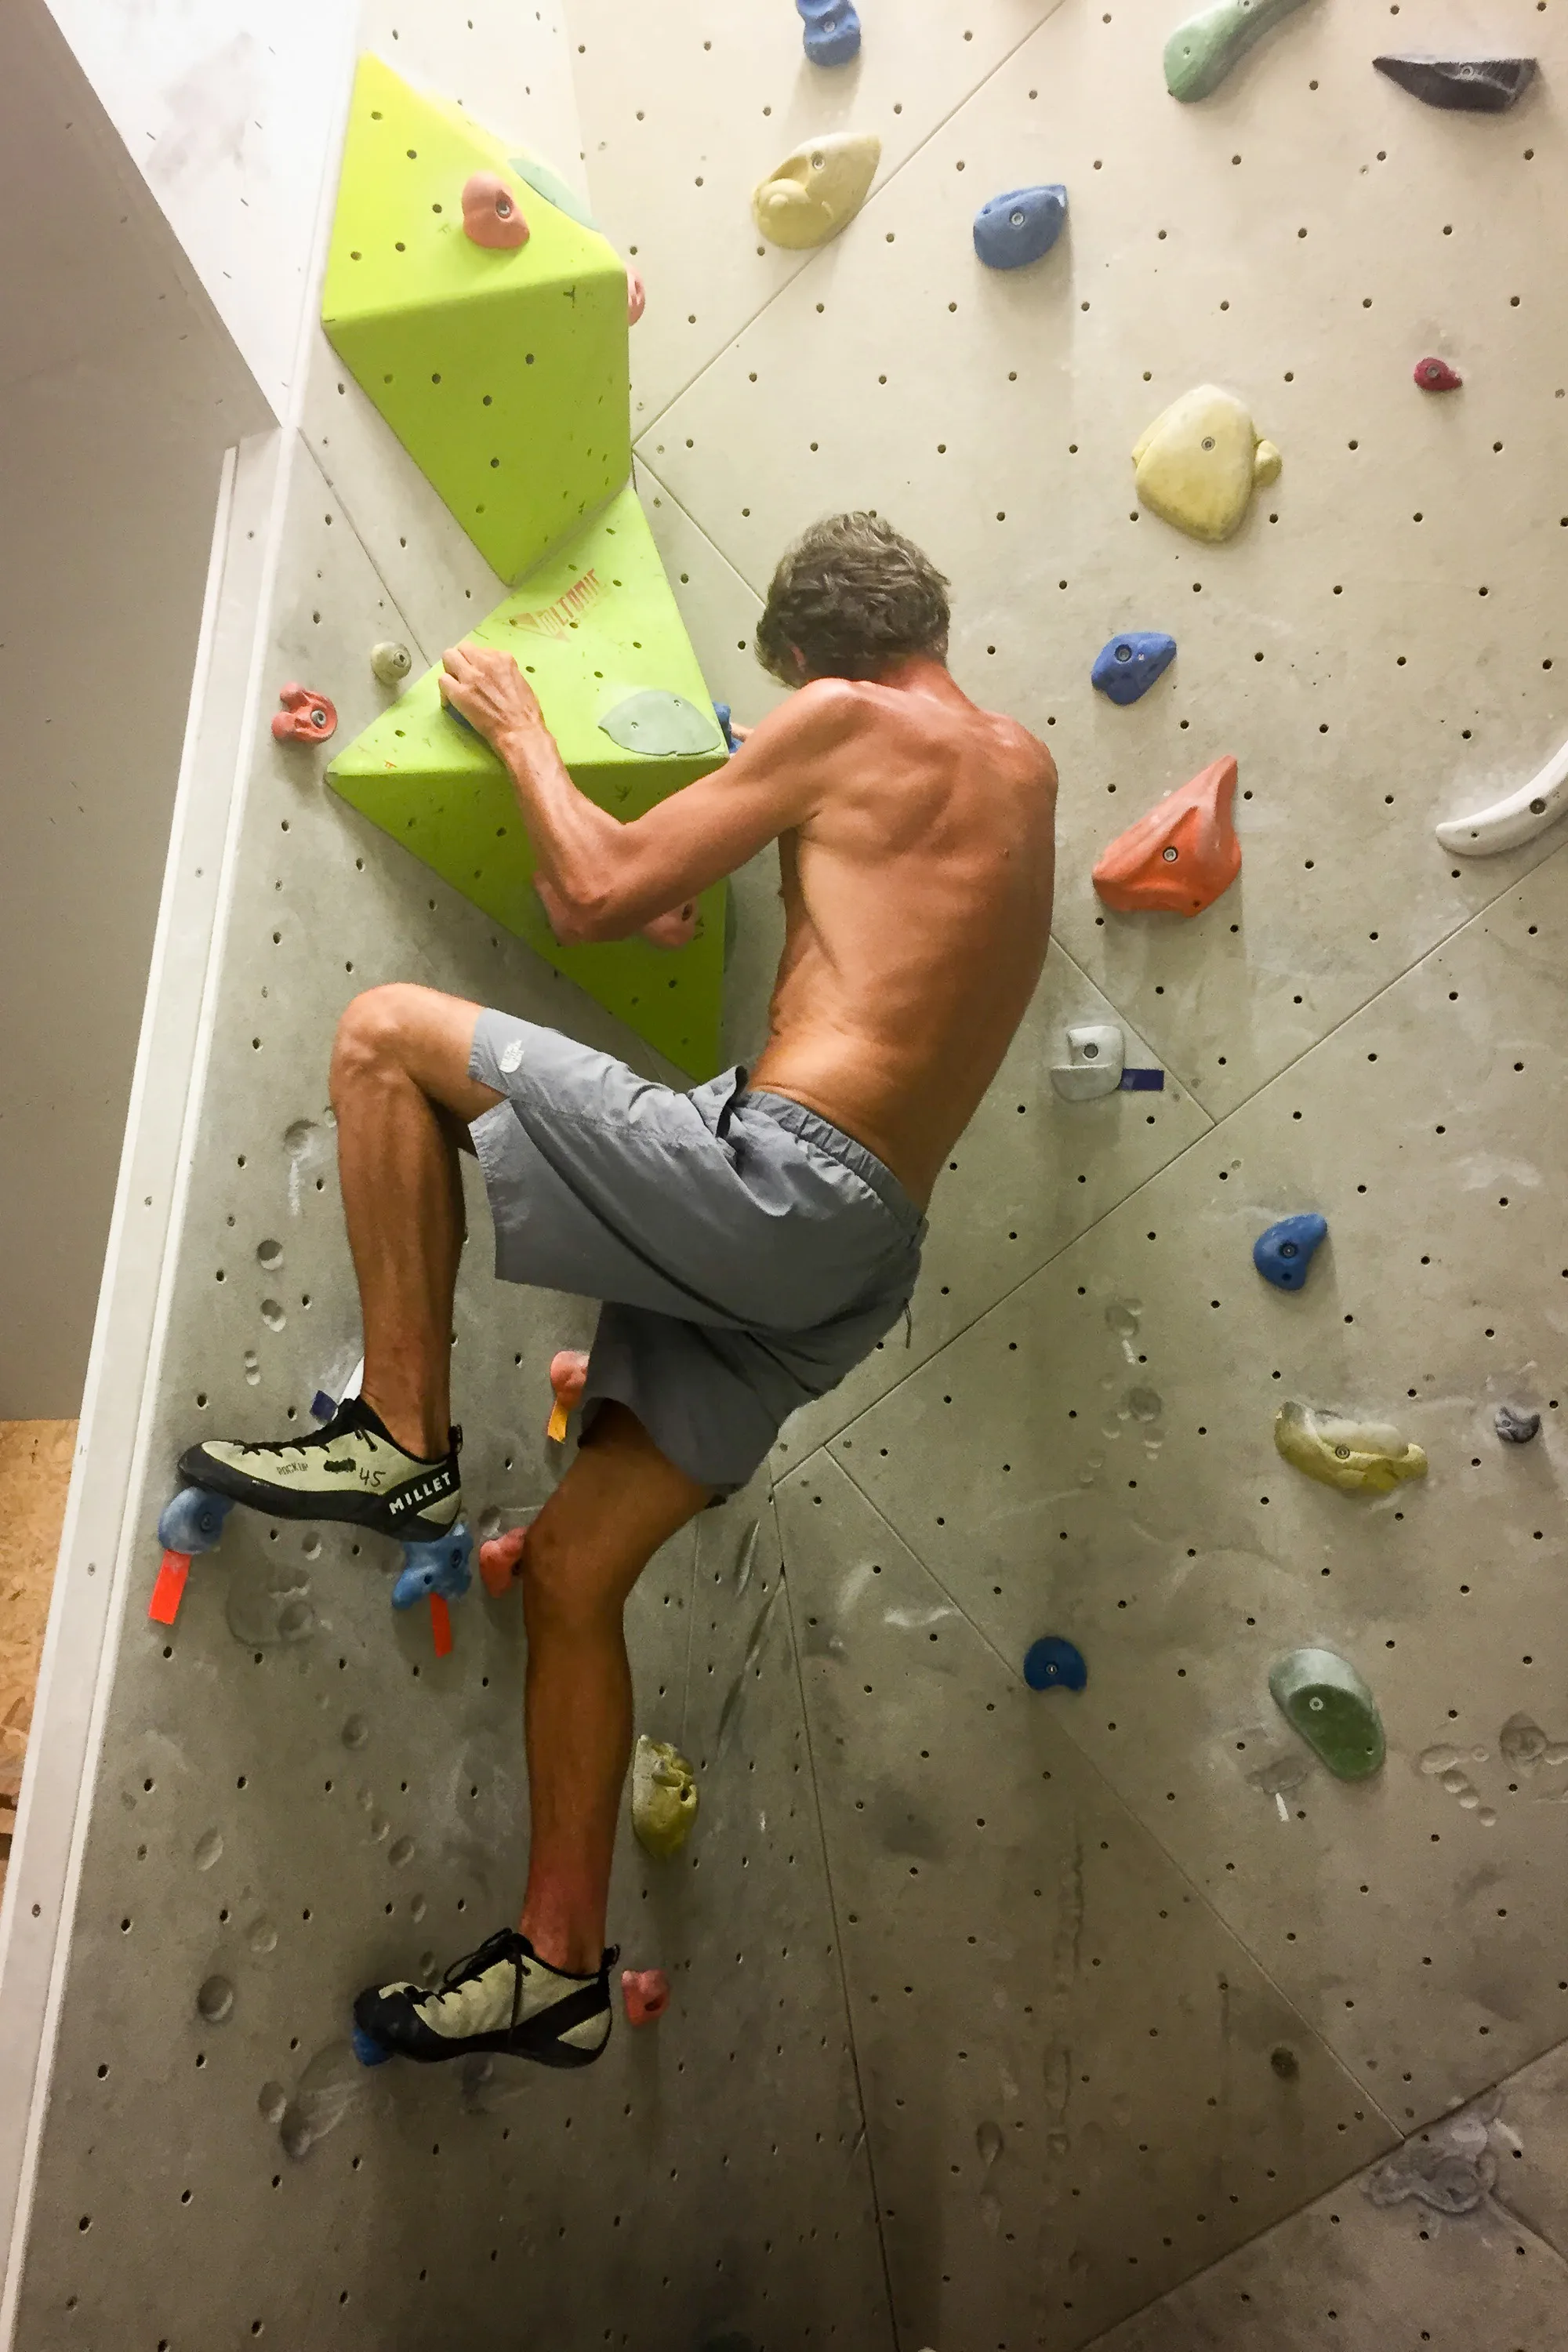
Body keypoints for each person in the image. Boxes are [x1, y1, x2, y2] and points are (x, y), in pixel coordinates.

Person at [179, 512, 1057, 2070]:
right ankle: (560, 1962)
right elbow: (860, 937)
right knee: (576, 1577)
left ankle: (396, 1433)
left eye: (782, 677)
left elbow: (587, 892)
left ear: (805, 657)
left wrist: (521, 736)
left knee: (386, 1029)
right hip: (854, 1251)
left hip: (780, 1180)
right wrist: (689, 883)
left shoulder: (844, 719)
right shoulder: (1018, 767)